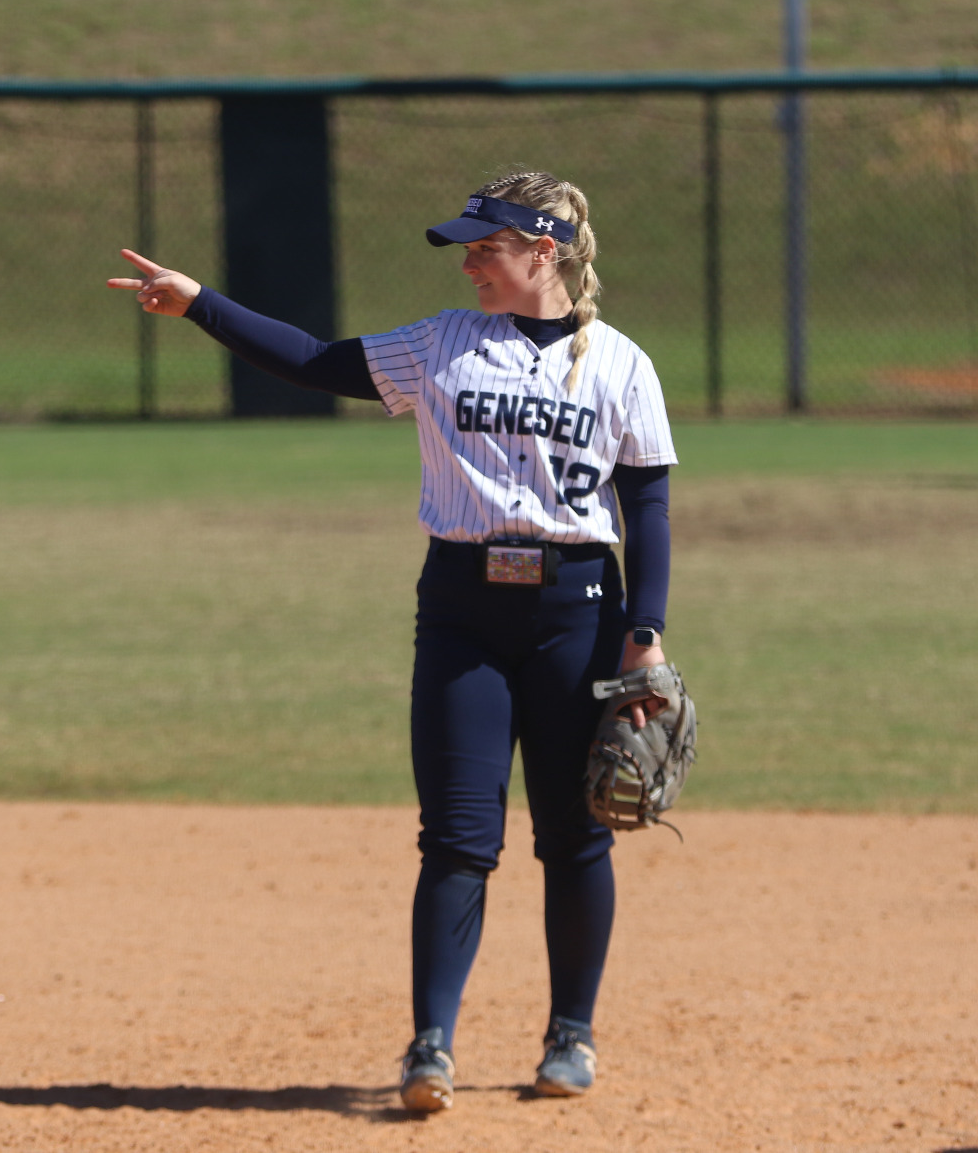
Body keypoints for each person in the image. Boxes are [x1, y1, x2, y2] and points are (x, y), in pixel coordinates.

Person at [105, 170, 678, 1113]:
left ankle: (570, 1034)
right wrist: (201, 302)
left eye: (486, 249)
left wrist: (644, 637)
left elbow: (646, 506)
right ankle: (431, 1046)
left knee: (574, 836)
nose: (470, 265)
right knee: (456, 838)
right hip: (462, 615)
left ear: (545, 252)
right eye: (467, 250)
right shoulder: (441, 344)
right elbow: (316, 361)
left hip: (580, 613)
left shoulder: (622, 364)